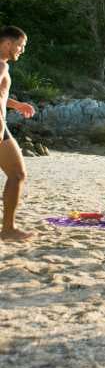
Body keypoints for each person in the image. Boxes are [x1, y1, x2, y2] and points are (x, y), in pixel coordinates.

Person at [0, 26, 36, 242]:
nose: (21, 50)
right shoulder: (1, 65)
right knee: (17, 175)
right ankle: (8, 229)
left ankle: (8, 228)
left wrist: (16, 105)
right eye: (20, 45)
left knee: (17, 175)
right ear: (7, 44)